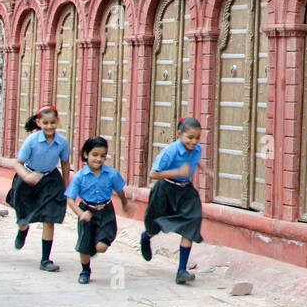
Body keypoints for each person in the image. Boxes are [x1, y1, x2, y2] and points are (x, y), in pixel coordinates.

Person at [5, 105, 70, 272]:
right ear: (38, 123)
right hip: (28, 178)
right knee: (24, 217)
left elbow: (65, 163)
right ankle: (22, 230)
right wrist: (27, 177)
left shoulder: (62, 142)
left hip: (50, 179)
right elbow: (17, 163)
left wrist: (65, 185)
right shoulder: (31, 141)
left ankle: (45, 259)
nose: (49, 126)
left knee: (49, 218)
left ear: (58, 122)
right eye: (45, 123)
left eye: (53, 123)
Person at [140, 117, 205, 285]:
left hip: (185, 191)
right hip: (165, 190)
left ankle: (181, 270)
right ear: (179, 134)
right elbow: (153, 174)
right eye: (189, 137)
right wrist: (177, 171)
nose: (194, 141)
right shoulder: (170, 152)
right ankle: (146, 237)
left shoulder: (197, 149)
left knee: (192, 223)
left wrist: (206, 170)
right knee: (155, 226)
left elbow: (195, 161)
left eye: (197, 138)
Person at [64, 136, 131, 285]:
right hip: (86, 210)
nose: (98, 159)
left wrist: (125, 204)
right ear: (86, 154)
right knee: (84, 245)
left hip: (106, 211)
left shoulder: (111, 174)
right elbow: (70, 199)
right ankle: (85, 270)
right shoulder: (79, 177)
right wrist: (81, 213)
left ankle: (95, 245)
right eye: (95, 155)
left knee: (101, 247)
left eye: (103, 156)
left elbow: (120, 190)